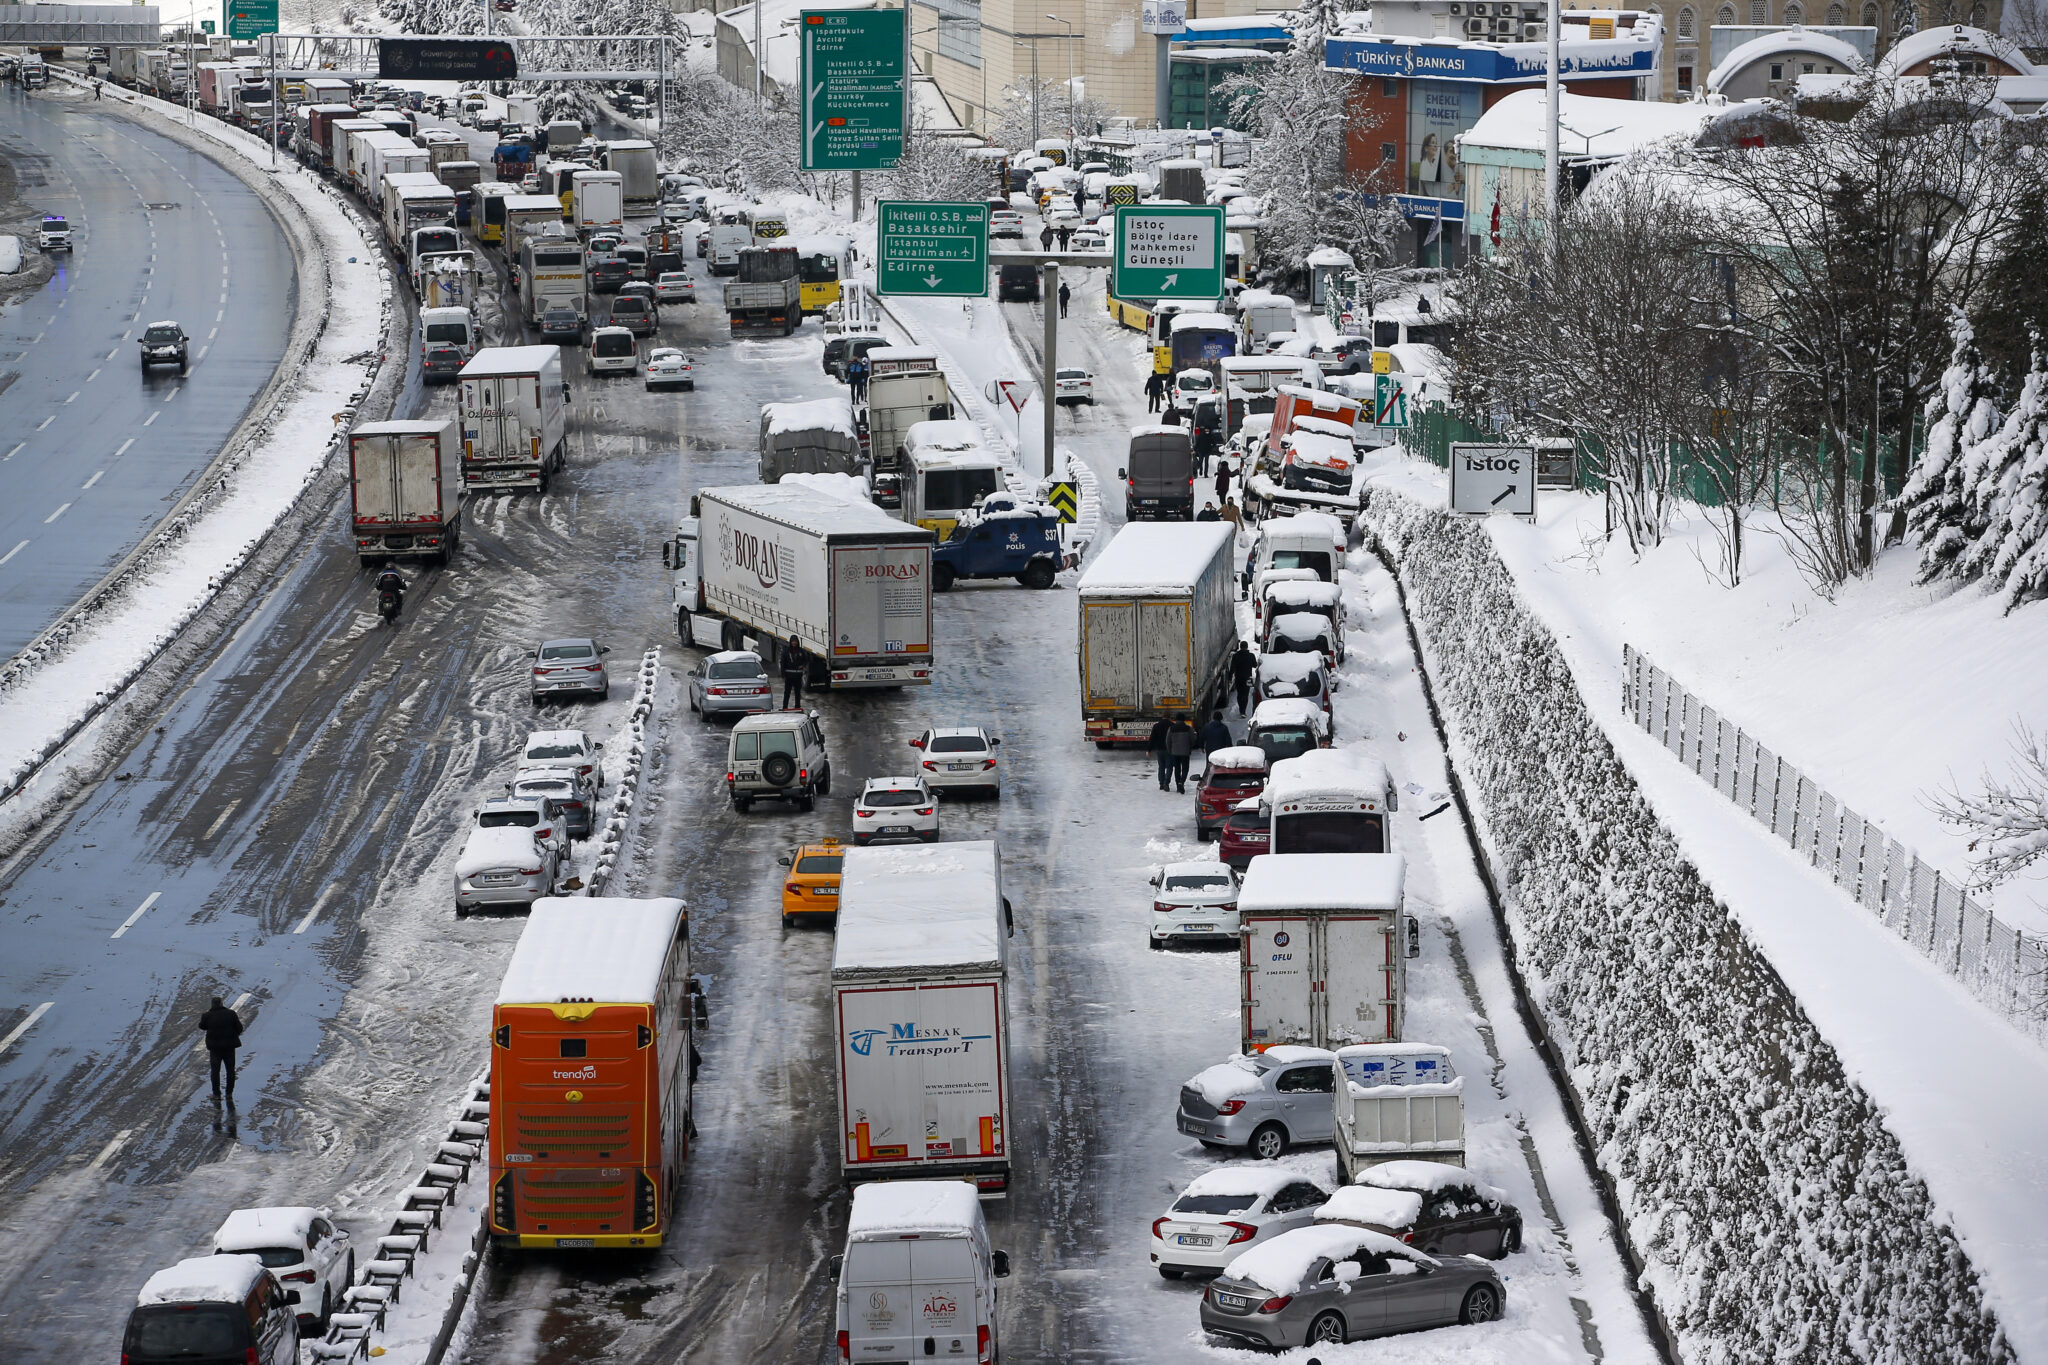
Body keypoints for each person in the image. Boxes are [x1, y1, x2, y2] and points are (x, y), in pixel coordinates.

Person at [198, 996, 243, 1102]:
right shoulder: (231, 1014)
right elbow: (239, 1028)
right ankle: (229, 1093)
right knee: (230, 1070)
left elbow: (202, 1026)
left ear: (212, 1004)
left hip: (215, 1048)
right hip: (229, 1047)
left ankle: (216, 1094)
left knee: (215, 1071)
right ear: (222, 1003)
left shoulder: (207, 1015)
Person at [1163, 716, 1197, 793]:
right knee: (1185, 769)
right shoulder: (1188, 728)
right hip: (1185, 753)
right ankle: (1181, 782)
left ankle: (1178, 785)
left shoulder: (1171, 729)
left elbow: (1167, 741)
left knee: (1177, 769)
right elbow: (1193, 739)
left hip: (1174, 753)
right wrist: (1189, 747)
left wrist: (1170, 750)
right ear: (1183, 720)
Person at [780, 634, 809, 707]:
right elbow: (782, 662)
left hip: (798, 676)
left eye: (795, 641)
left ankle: (797, 706)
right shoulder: (786, 651)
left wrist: (803, 665)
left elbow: (806, 660)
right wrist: (782, 674)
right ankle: (785, 706)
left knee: (797, 692)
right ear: (790, 642)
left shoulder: (801, 651)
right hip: (789, 675)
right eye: (793, 641)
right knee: (787, 692)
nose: (794, 643)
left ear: (797, 642)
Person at [1230, 640, 1256, 716]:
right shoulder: (1251, 655)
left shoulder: (1236, 655)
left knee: (1239, 694)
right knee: (1245, 694)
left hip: (1238, 678)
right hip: (1248, 678)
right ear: (1247, 647)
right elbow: (1255, 665)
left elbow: (1232, 667)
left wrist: (1230, 677)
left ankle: (1241, 708)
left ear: (1240, 647)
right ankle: (1243, 711)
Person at [1147, 717, 1173, 790]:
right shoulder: (1172, 725)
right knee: (1169, 767)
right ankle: (1166, 782)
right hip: (1169, 749)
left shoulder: (1156, 726)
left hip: (1159, 749)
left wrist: (1149, 750)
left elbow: (1152, 738)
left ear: (1162, 717)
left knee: (1161, 767)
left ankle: (1161, 783)